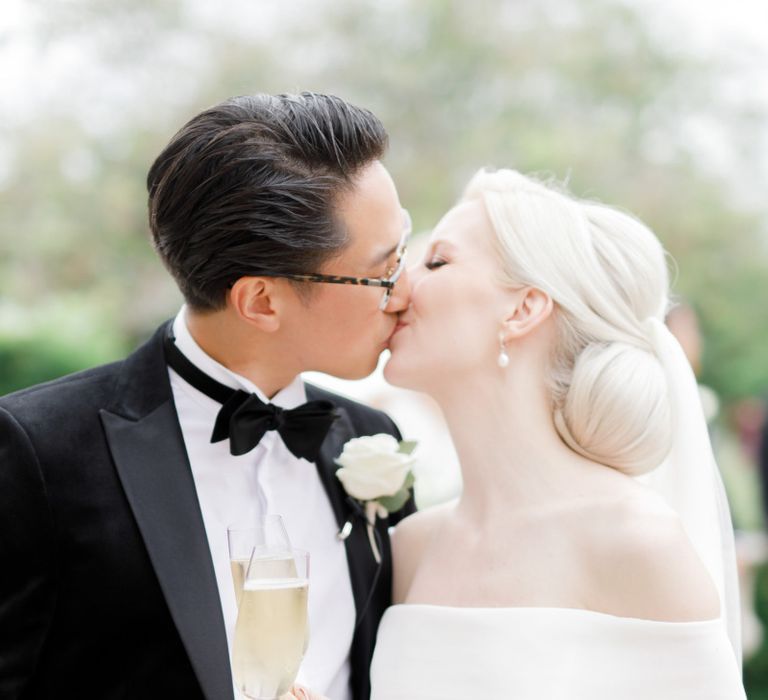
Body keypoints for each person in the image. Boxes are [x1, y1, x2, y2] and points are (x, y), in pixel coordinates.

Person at [0, 93, 414, 700]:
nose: (404, 291)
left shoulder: (370, 437)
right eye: (384, 270)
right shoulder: (39, 448)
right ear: (261, 302)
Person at [368, 169, 746, 698]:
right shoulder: (411, 546)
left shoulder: (636, 541)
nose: (398, 286)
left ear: (523, 309)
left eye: (436, 262)